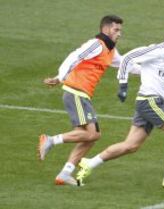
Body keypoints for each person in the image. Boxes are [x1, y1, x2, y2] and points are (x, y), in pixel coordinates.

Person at [75, 22, 164, 193]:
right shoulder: (157, 50)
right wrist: (123, 85)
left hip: (155, 102)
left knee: (131, 146)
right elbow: (127, 59)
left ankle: (90, 163)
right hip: (149, 101)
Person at [38, 15, 126, 186]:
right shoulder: (96, 45)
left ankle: (65, 174)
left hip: (83, 95)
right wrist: (60, 77)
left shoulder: (111, 50)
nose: (119, 34)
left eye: (120, 30)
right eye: (116, 30)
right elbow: (74, 57)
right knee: (91, 133)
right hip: (75, 92)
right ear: (106, 29)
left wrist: (151, 69)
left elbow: (125, 65)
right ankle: (50, 140)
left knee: (93, 137)